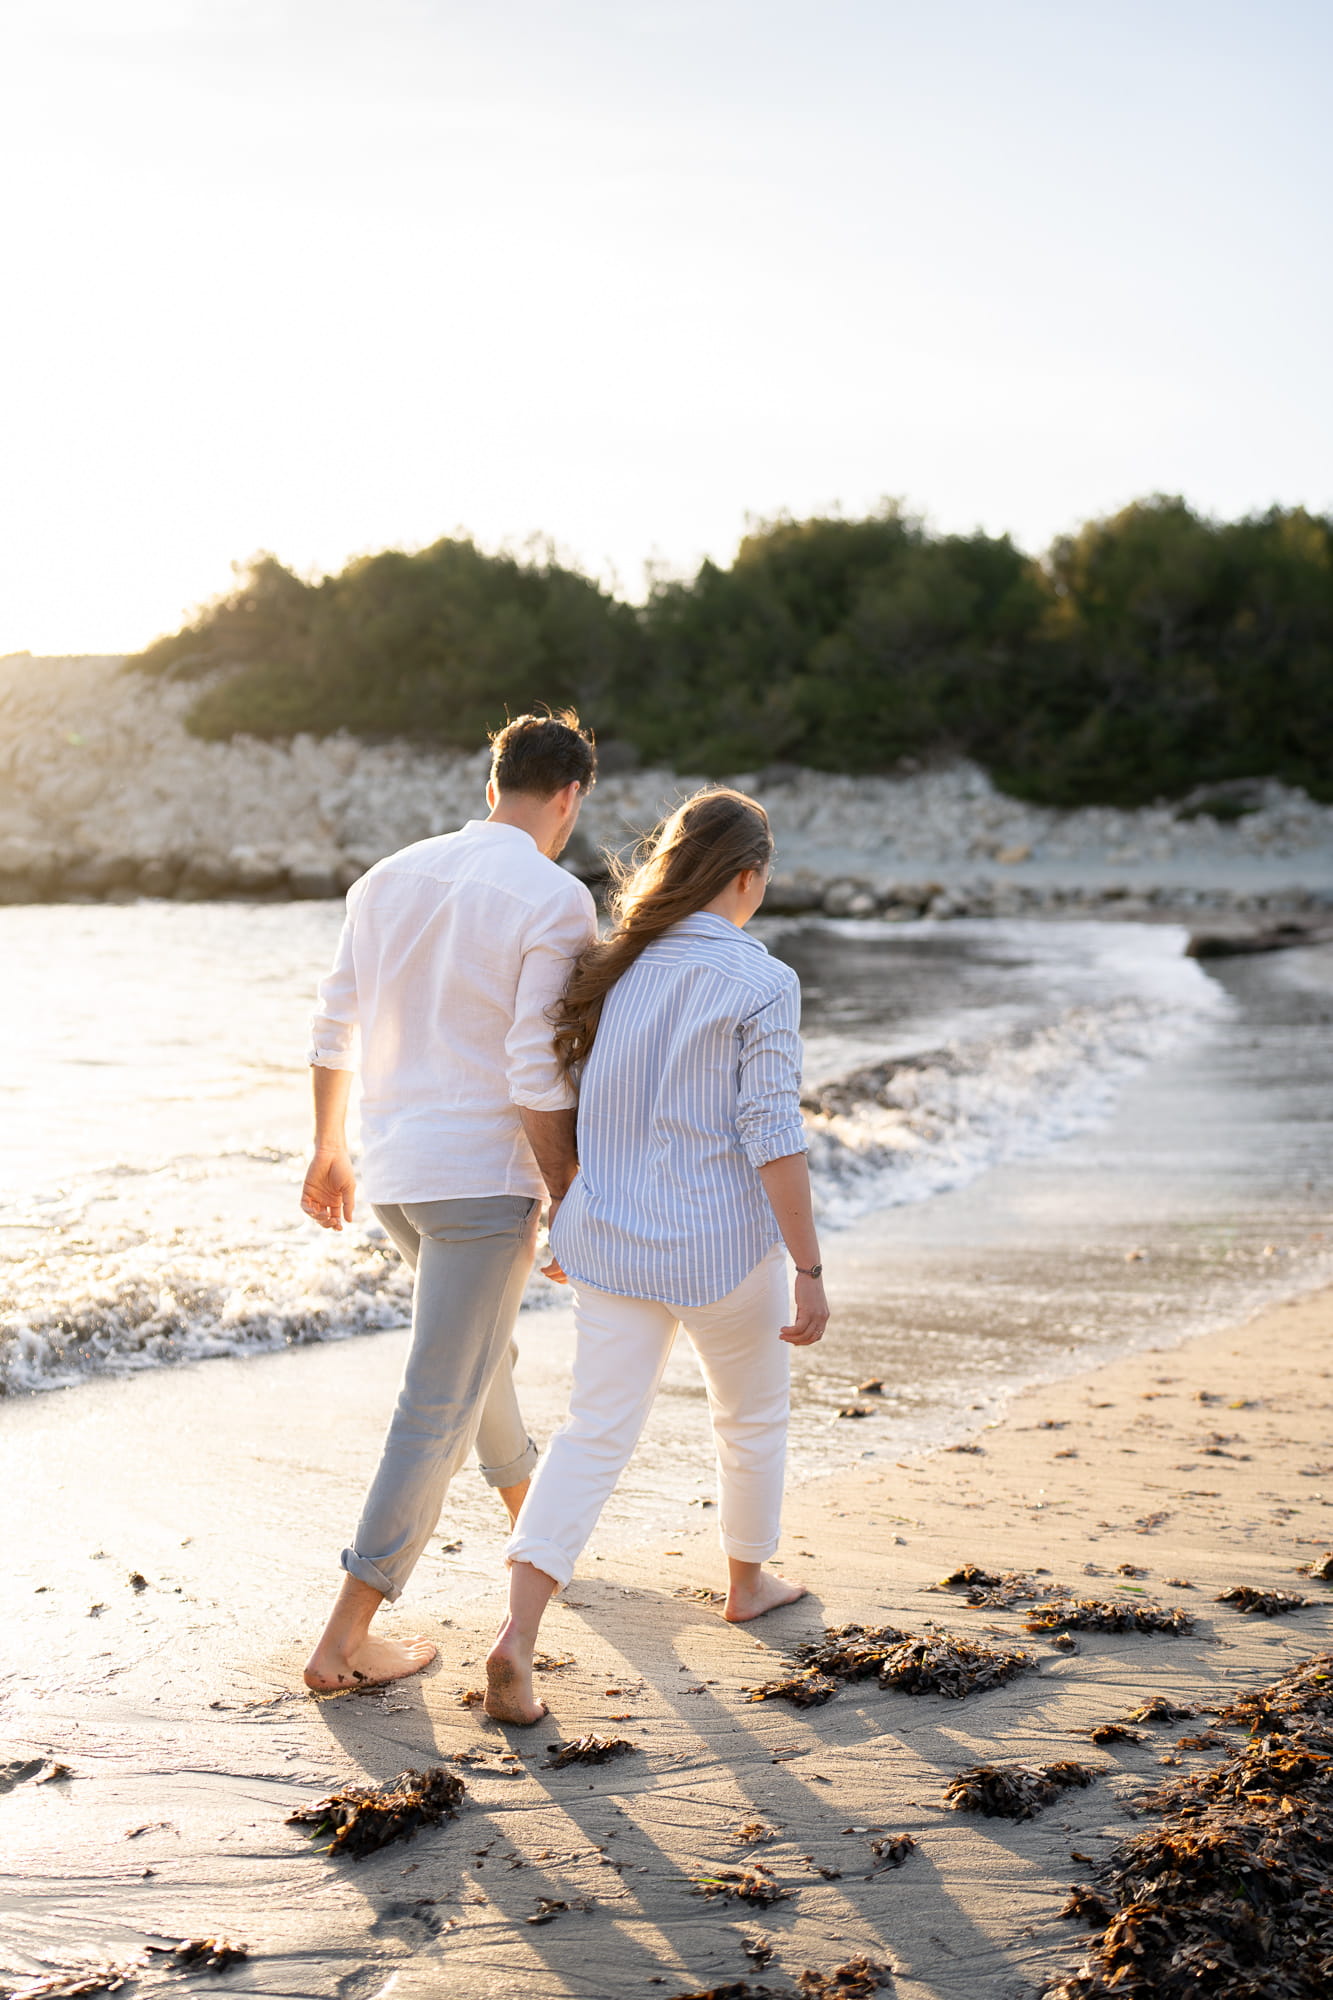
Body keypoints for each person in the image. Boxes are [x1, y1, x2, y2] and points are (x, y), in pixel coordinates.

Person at [484, 787, 830, 1725]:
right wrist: (807, 1269)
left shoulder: (612, 965)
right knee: (748, 1417)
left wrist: (568, 1213)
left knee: (592, 1432)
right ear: (748, 877)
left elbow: (563, 1094)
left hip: (610, 1243)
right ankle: (747, 1584)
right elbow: (771, 1132)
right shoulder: (762, 980)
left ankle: (518, 1632)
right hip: (720, 1250)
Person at [300, 711, 598, 1692]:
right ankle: (345, 1638)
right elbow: (534, 1065)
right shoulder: (556, 899)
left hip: (393, 1172)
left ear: (491, 783)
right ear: (569, 798)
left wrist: (327, 1148)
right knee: (439, 1397)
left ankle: (532, 1525)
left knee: (479, 1359)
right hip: (481, 1180)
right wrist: (569, 1192)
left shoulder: (384, 878)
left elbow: (334, 1024)